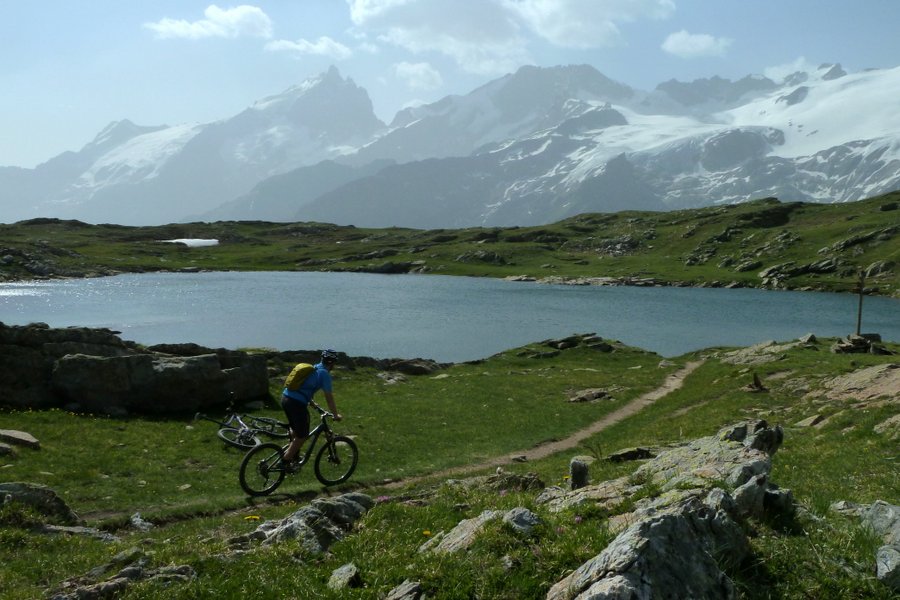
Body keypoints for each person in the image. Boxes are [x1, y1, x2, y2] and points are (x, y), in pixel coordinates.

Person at [281, 349, 342, 469]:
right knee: (303, 435)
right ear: (332, 363)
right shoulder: (324, 374)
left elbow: (305, 386)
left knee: (297, 430)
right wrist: (335, 415)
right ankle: (285, 461)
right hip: (296, 403)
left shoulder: (314, 368)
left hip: (285, 398)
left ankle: (293, 455)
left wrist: (311, 402)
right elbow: (329, 398)